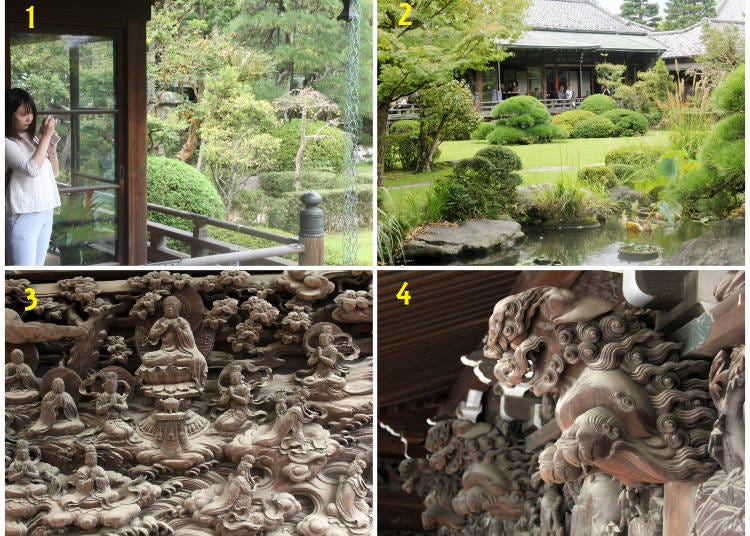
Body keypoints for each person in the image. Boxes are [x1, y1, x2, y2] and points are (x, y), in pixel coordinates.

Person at [5, 88, 61, 266]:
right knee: (22, 274)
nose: (29, 119)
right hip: (24, 214)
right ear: (8, 114)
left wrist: (51, 149)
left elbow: (53, 174)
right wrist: (44, 137)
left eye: (30, 114)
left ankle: (33, 296)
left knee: (37, 270)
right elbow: (31, 170)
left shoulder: (32, 139)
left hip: (46, 210)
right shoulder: (6, 142)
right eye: (23, 114)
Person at [137, 296, 208, 390]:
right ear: (164, 309)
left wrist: (178, 329)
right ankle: (173, 360)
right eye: (168, 307)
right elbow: (151, 336)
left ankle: (172, 360)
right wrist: (161, 329)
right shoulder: (161, 321)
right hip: (164, 352)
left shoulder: (182, 321)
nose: (170, 309)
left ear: (178, 309)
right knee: (146, 358)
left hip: (182, 352)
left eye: (173, 307)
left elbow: (190, 341)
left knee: (200, 361)